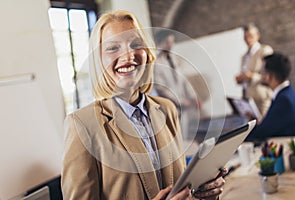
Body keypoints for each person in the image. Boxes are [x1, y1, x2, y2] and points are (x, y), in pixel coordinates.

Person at [61, 10, 226, 200]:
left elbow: (179, 189)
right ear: (98, 60)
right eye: (113, 48)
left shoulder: (167, 109)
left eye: (136, 44)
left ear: (147, 52)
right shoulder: (81, 125)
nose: (128, 55)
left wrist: (203, 192)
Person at [153, 29, 201, 140]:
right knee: (172, 139)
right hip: (168, 106)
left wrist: (194, 97)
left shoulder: (173, 59)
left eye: (172, 42)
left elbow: (183, 80)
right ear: (159, 43)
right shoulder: (155, 62)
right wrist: (179, 100)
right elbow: (160, 88)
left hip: (182, 107)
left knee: (184, 138)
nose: (170, 45)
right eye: (167, 42)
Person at [246, 52, 295, 141]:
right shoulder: (290, 95)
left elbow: (262, 132)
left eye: (261, 72)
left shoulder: (284, 101)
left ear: (269, 76)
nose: (260, 75)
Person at [235, 23, 273, 117]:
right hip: (249, 101)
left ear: (257, 36)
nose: (248, 39)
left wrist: (251, 76)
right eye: (245, 37)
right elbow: (246, 77)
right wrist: (241, 79)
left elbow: (271, 76)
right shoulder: (244, 57)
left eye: (250, 36)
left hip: (263, 99)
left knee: (265, 128)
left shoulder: (265, 50)